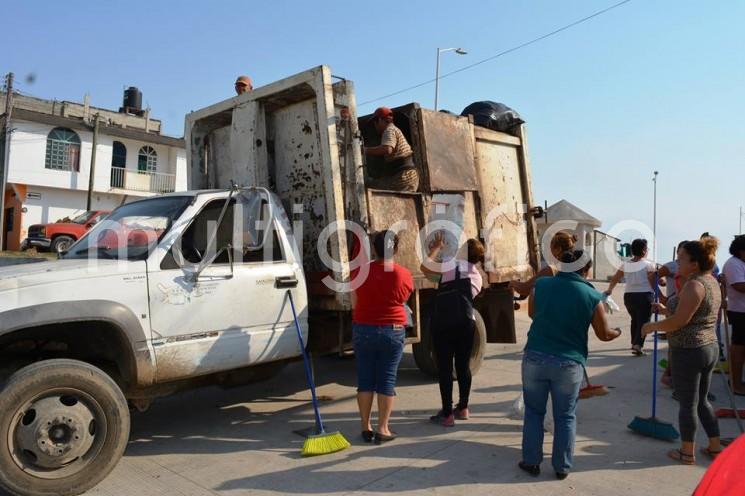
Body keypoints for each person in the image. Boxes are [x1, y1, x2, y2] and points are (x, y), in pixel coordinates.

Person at [519, 250, 621, 479]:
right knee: (565, 416)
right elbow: (604, 334)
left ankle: (531, 461)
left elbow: (534, 314)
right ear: (586, 270)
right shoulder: (591, 295)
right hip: (568, 363)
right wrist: (618, 332)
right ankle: (561, 467)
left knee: (534, 412)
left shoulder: (542, 284)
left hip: (535, 357)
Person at [641, 237, 723, 465]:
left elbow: (680, 321)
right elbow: (696, 314)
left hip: (689, 350)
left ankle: (687, 452)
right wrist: (666, 309)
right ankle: (715, 446)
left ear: (694, 263)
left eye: (681, 259)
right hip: (708, 347)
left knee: (687, 403)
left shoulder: (694, 285)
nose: (678, 263)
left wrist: (652, 326)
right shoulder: (711, 282)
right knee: (702, 401)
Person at [351, 230, 414, 444]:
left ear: (374, 248)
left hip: (363, 328)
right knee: (386, 379)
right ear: (395, 249)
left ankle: (365, 427)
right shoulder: (403, 274)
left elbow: (354, 301)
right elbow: (403, 299)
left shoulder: (360, 272)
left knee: (365, 380)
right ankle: (383, 429)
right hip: (392, 330)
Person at [420, 233, 485, 426]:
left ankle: (447, 413)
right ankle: (463, 408)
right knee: (463, 367)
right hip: (466, 323)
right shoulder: (478, 277)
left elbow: (425, 267)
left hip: (444, 322)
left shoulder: (450, 266)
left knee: (445, 368)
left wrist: (437, 247)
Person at [604, 238, 656, 356]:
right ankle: (638, 345)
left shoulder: (626, 264)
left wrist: (610, 290)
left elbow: (615, 278)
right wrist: (659, 292)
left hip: (629, 296)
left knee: (635, 320)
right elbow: (652, 281)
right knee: (643, 322)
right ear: (643, 251)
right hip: (644, 295)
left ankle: (634, 343)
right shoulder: (648, 265)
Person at [364, 107, 419, 192]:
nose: (375, 127)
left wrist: (365, 150)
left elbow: (387, 149)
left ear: (379, 120)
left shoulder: (389, 130)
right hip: (410, 177)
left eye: (375, 123)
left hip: (403, 177)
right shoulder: (394, 129)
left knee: (368, 186)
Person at [510, 231, 576, 297]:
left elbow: (525, 289)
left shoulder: (552, 270)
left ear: (558, 250)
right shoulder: (575, 268)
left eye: (550, 248)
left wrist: (512, 282)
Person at [722, 235, 745, 395]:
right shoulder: (733, 264)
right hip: (740, 311)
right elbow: (739, 286)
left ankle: (738, 381)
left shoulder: (741, 263)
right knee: (739, 348)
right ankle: (736, 384)